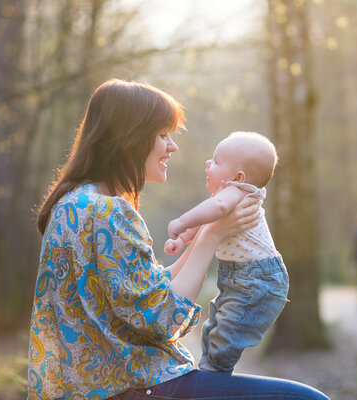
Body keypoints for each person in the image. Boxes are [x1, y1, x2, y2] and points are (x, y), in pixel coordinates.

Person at [28, 79, 329, 400]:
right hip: (134, 387)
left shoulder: (74, 203)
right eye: (162, 135)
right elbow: (161, 320)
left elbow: (147, 289)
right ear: (129, 138)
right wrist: (212, 235)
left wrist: (200, 237)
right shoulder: (110, 211)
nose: (172, 146)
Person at [164, 131, 287, 373]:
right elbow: (208, 221)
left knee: (227, 334)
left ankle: (214, 373)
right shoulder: (227, 197)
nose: (208, 164)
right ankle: (211, 369)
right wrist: (184, 239)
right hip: (244, 278)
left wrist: (181, 222)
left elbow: (217, 207)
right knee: (215, 327)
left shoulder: (237, 191)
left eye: (217, 161)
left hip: (256, 279)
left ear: (238, 177)